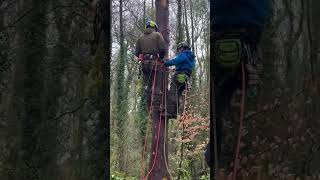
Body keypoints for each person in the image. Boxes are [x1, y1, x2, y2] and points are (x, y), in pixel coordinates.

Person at [206, 0, 271, 170]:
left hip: (221, 30)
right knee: (245, 86)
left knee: (220, 96)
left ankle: (216, 151)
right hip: (249, 31)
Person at [135, 20, 166, 111]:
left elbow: (137, 52)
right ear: (154, 27)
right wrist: (161, 57)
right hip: (155, 64)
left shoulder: (140, 37)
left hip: (144, 65)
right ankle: (156, 106)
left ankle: (148, 105)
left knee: (147, 85)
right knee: (157, 85)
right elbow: (162, 49)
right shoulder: (157, 35)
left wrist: (143, 55)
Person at [163, 42, 195, 119]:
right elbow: (185, 66)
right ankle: (174, 113)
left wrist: (165, 63)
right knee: (177, 94)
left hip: (180, 76)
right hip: (185, 77)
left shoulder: (184, 54)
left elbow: (176, 61)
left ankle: (170, 112)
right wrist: (176, 69)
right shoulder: (190, 56)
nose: (178, 51)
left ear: (182, 48)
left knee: (173, 93)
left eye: (179, 50)